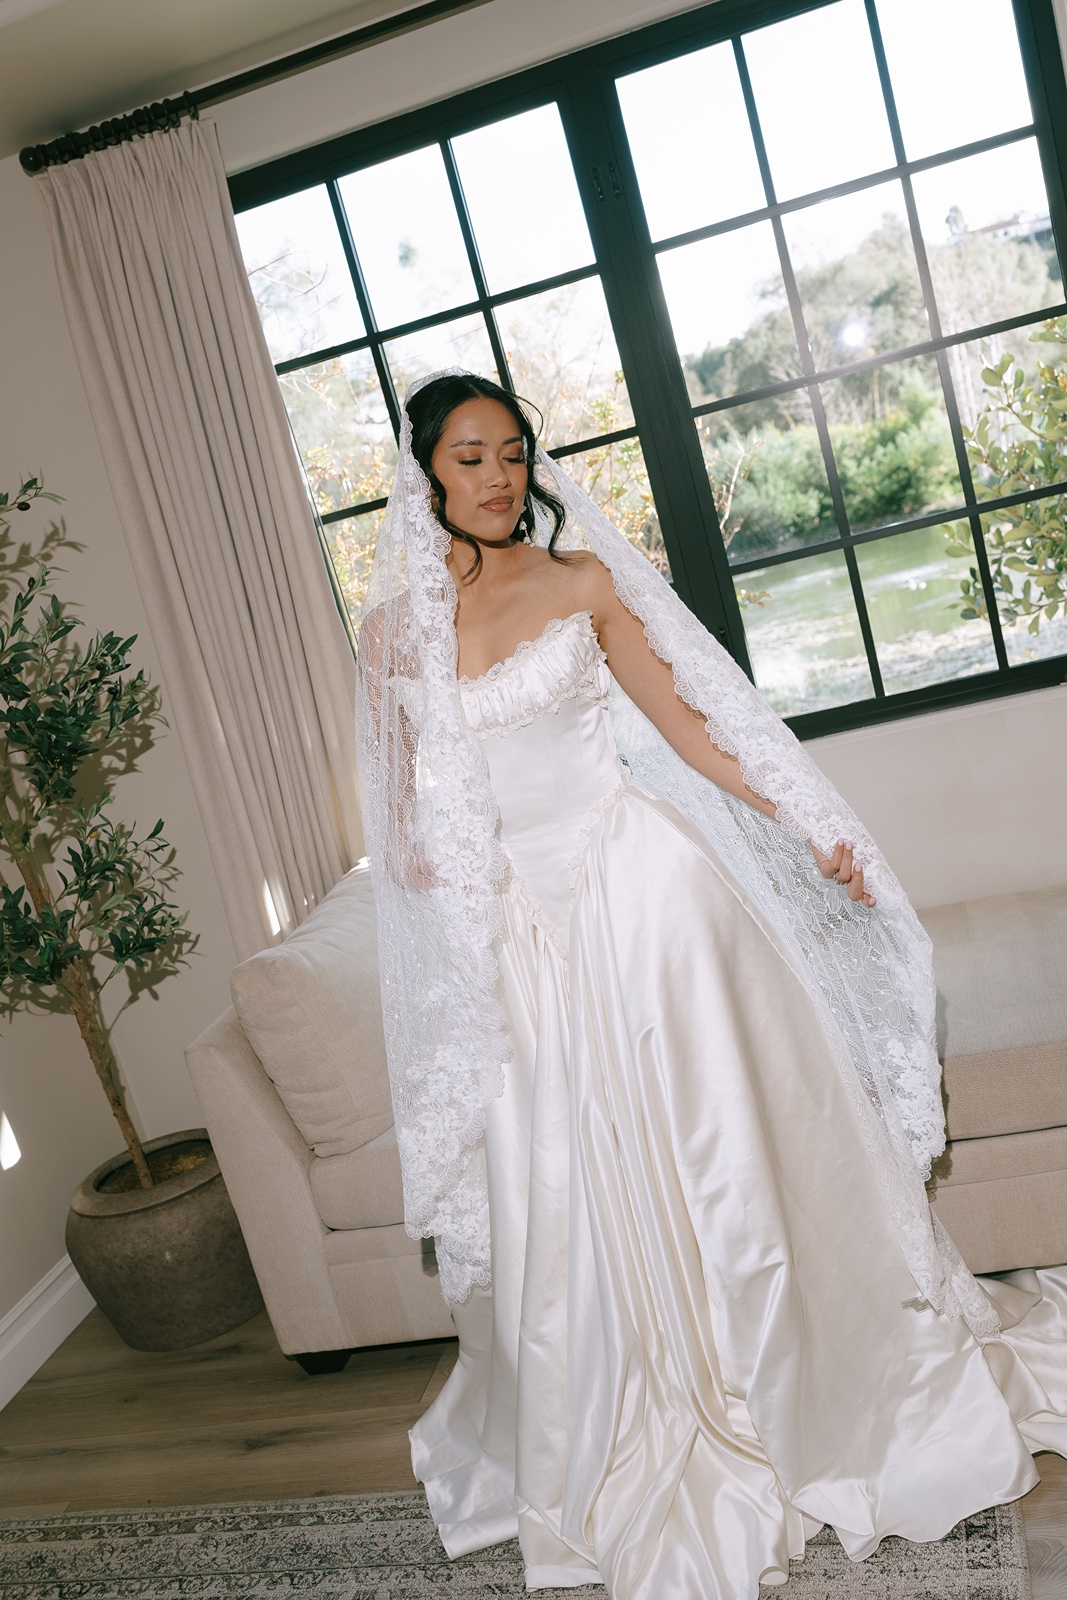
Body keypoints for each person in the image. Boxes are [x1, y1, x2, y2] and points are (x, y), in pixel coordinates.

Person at [354, 370, 1067, 1599]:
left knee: (721, 1144)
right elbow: (398, 793)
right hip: (517, 934)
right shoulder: (388, 635)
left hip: (644, 896)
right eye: (470, 456)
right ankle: (622, 1409)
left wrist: (801, 823)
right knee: (564, 1176)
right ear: (422, 472)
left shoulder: (581, 583)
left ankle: (800, 1387)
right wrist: (428, 865)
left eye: (514, 454)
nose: (497, 477)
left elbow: (688, 725)